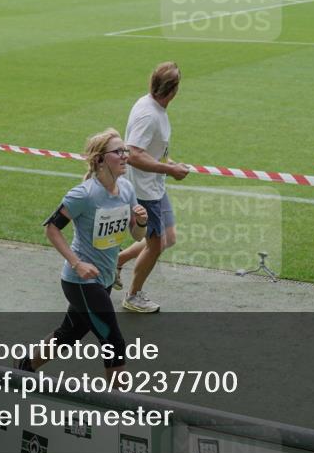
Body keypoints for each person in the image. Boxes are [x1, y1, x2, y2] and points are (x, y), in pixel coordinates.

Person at [20, 128, 148, 375]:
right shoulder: (84, 194)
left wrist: (141, 222)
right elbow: (52, 229)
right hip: (80, 281)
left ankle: (24, 368)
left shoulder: (127, 189)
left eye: (125, 150)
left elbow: (137, 236)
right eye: (118, 151)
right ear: (100, 160)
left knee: (68, 334)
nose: (125, 156)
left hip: (105, 278)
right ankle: (118, 401)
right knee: (114, 344)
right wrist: (77, 263)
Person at [114, 62, 190, 313]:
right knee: (155, 244)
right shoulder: (149, 114)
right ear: (173, 89)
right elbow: (133, 154)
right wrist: (169, 170)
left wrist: (170, 163)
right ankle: (133, 296)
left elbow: (151, 149)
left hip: (155, 185)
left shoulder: (154, 107)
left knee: (168, 237)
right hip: (143, 190)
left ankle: (117, 261)